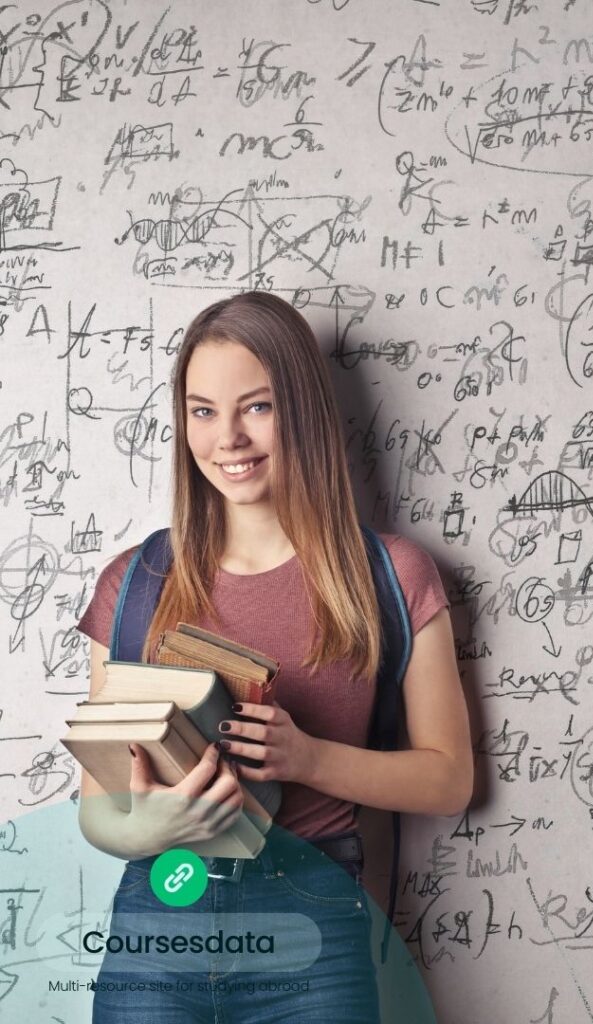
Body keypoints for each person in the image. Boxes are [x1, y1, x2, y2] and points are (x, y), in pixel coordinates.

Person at [74, 290, 473, 1023]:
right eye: (202, 410)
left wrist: (307, 759)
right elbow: (100, 811)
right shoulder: (133, 584)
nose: (227, 438)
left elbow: (450, 780)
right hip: (159, 921)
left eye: (255, 406)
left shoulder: (393, 575)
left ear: (304, 410)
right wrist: (162, 825)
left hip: (312, 928)